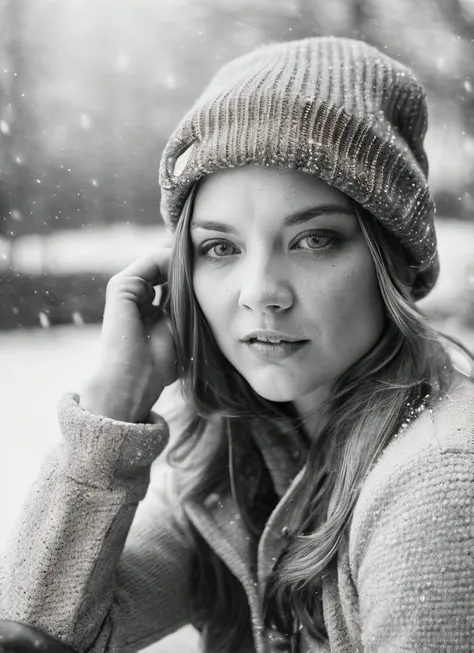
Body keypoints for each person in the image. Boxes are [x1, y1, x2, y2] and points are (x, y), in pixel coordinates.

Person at [1, 35, 473, 653]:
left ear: (394, 259)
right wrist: (116, 403)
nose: (261, 293)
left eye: (314, 239)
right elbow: (42, 634)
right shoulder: (239, 464)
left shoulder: (441, 484)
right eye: (220, 248)